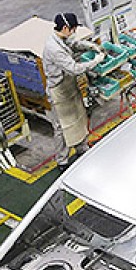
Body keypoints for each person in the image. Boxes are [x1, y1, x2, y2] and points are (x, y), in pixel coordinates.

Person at [42, 12, 105, 168]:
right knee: (62, 127)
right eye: (73, 29)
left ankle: (81, 148)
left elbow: (73, 45)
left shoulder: (62, 38)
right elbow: (75, 69)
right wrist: (96, 61)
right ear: (65, 28)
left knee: (79, 117)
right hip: (59, 91)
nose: (74, 32)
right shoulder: (54, 49)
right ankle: (62, 160)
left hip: (70, 87)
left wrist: (89, 46)